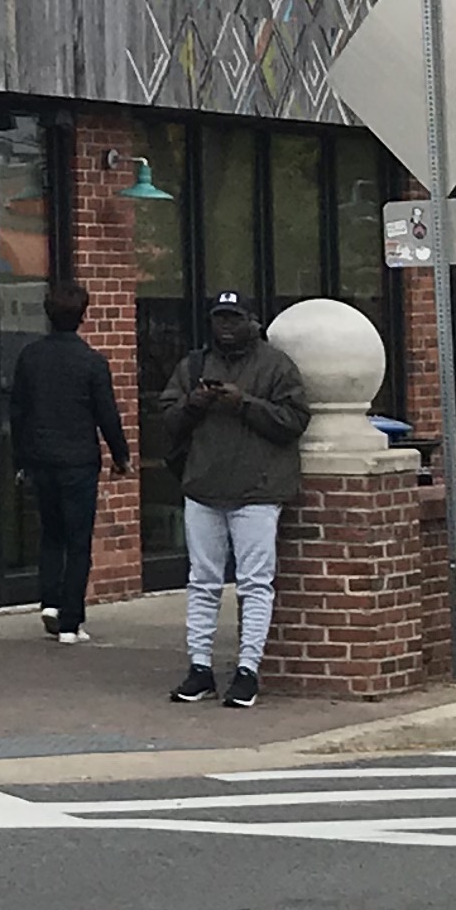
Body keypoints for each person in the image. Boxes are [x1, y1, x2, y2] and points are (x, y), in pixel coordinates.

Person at [157, 289, 309, 708]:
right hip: (203, 486)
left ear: (252, 321)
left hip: (258, 491)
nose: (226, 325)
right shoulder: (193, 365)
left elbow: (294, 420)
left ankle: (247, 670)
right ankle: (199, 668)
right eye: (220, 317)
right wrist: (195, 403)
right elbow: (167, 419)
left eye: (234, 317)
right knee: (202, 582)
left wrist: (244, 404)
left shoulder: (276, 365)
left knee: (255, 583)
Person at [4, 276, 129, 642]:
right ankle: (71, 622)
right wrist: (120, 455)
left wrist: (20, 459)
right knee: (78, 541)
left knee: (51, 534)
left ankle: (50, 601)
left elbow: (18, 412)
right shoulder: (92, 362)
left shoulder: (30, 357)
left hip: (40, 458)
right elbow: (107, 414)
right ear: (83, 316)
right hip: (78, 462)